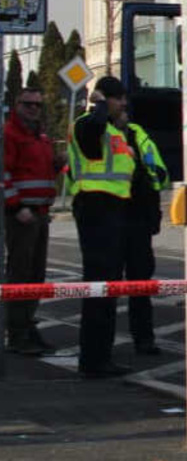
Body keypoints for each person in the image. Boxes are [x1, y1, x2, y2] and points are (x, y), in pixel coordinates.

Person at [68, 77, 135, 379]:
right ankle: (93, 360)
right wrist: (97, 103)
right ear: (104, 99)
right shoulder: (87, 124)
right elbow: (93, 137)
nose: (123, 104)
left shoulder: (113, 132)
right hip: (95, 209)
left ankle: (101, 356)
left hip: (111, 211)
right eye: (118, 99)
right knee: (99, 287)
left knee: (108, 287)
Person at [3, 88, 61, 355]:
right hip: (23, 215)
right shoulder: (10, 134)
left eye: (38, 105)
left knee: (36, 275)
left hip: (40, 212)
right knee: (20, 274)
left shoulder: (41, 137)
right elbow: (4, 174)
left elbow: (43, 169)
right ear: (17, 105)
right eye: (29, 104)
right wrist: (16, 207)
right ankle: (17, 333)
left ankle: (27, 325)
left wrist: (59, 163)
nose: (34, 109)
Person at [115, 110, 169, 356]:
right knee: (107, 285)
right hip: (110, 218)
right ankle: (102, 347)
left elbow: (160, 172)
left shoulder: (139, 135)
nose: (124, 113)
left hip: (138, 218)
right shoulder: (99, 134)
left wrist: (148, 174)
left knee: (140, 284)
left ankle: (144, 338)